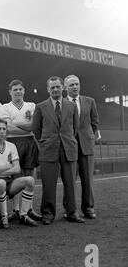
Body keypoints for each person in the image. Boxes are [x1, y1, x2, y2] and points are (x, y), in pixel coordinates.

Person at [32, 76, 85, 225]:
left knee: (70, 183)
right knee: (48, 183)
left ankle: (72, 212)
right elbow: (36, 129)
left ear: (62, 87)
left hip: (68, 148)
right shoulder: (40, 107)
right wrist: (46, 142)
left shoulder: (71, 106)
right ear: (48, 89)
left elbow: (75, 128)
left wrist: (67, 140)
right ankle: (48, 213)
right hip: (49, 149)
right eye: (52, 87)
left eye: (57, 87)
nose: (55, 89)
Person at [0, 79, 42, 222]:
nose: (17, 91)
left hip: (29, 142)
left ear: (24, 90)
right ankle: (16, 210)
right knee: (15, 176)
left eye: (20, 89)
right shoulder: (5, 107)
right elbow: (7, 128)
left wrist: (15, 123)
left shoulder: (31, 106)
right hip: (11, 143)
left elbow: (33, 126)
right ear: (10, 92)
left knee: (30, 176)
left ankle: (29, 209)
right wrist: (25, 125)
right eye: (14, 89)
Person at [0, 118, 38, 227]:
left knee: (30, 180)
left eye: (4, 129)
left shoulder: (11, 146)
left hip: (8, 182)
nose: (2, 131)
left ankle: (23, 215)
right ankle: (0, 215)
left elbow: (17, 169)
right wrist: (8, 166)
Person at [64, 75, 100, 219]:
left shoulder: (90, 101)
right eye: (71, 85)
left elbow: (95, 122)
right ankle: (70, 210)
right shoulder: (61, 103)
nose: (75, 87)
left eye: (77, 84)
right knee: (69, 179)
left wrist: (90, 136)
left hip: (86, 144)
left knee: (88, 179)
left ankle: (88, 208)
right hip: (68, 144)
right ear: (66, 87)